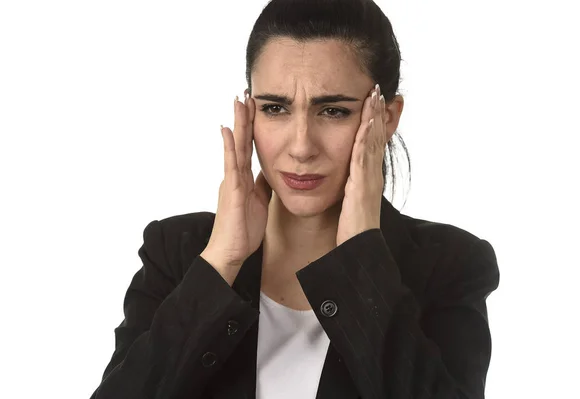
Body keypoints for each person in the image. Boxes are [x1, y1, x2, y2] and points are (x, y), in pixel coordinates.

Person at [89, 0, 500, 398]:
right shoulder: (178, 252)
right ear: (249, 112)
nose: (301, 147)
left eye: (333, 111)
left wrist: (361, 261)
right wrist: (221, 263)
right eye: (274, 108)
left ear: (386, 117)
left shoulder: (450, 265)